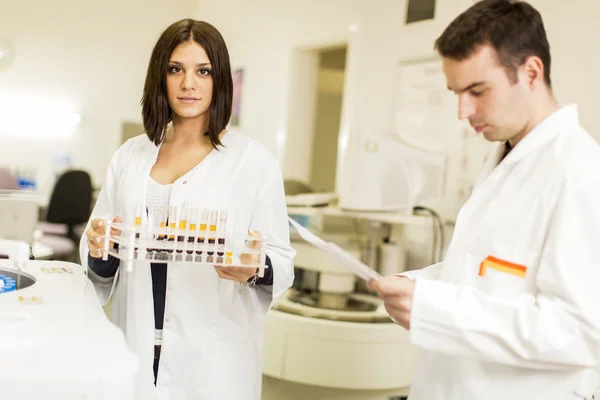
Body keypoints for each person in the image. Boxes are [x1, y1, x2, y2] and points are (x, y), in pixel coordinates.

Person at [369, 1, 600, 399]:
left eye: (477, 91)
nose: (463, 110)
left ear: (531, 72)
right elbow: (486, 272)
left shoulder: (579, 172)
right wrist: (417, 285)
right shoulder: (505, 156)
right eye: (457, 93)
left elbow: (579, 332)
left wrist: (435, 311)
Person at [79, 19, 295, 399]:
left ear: (220, 80)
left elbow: (281, 260)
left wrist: (254, 268)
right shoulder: (130, 156)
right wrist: (101, 246)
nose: (188, 84)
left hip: (214, 359)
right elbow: (101, 259)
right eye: (176, 69)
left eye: (203, 71)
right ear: (160, 76)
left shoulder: (253, 163)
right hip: (137, 342)